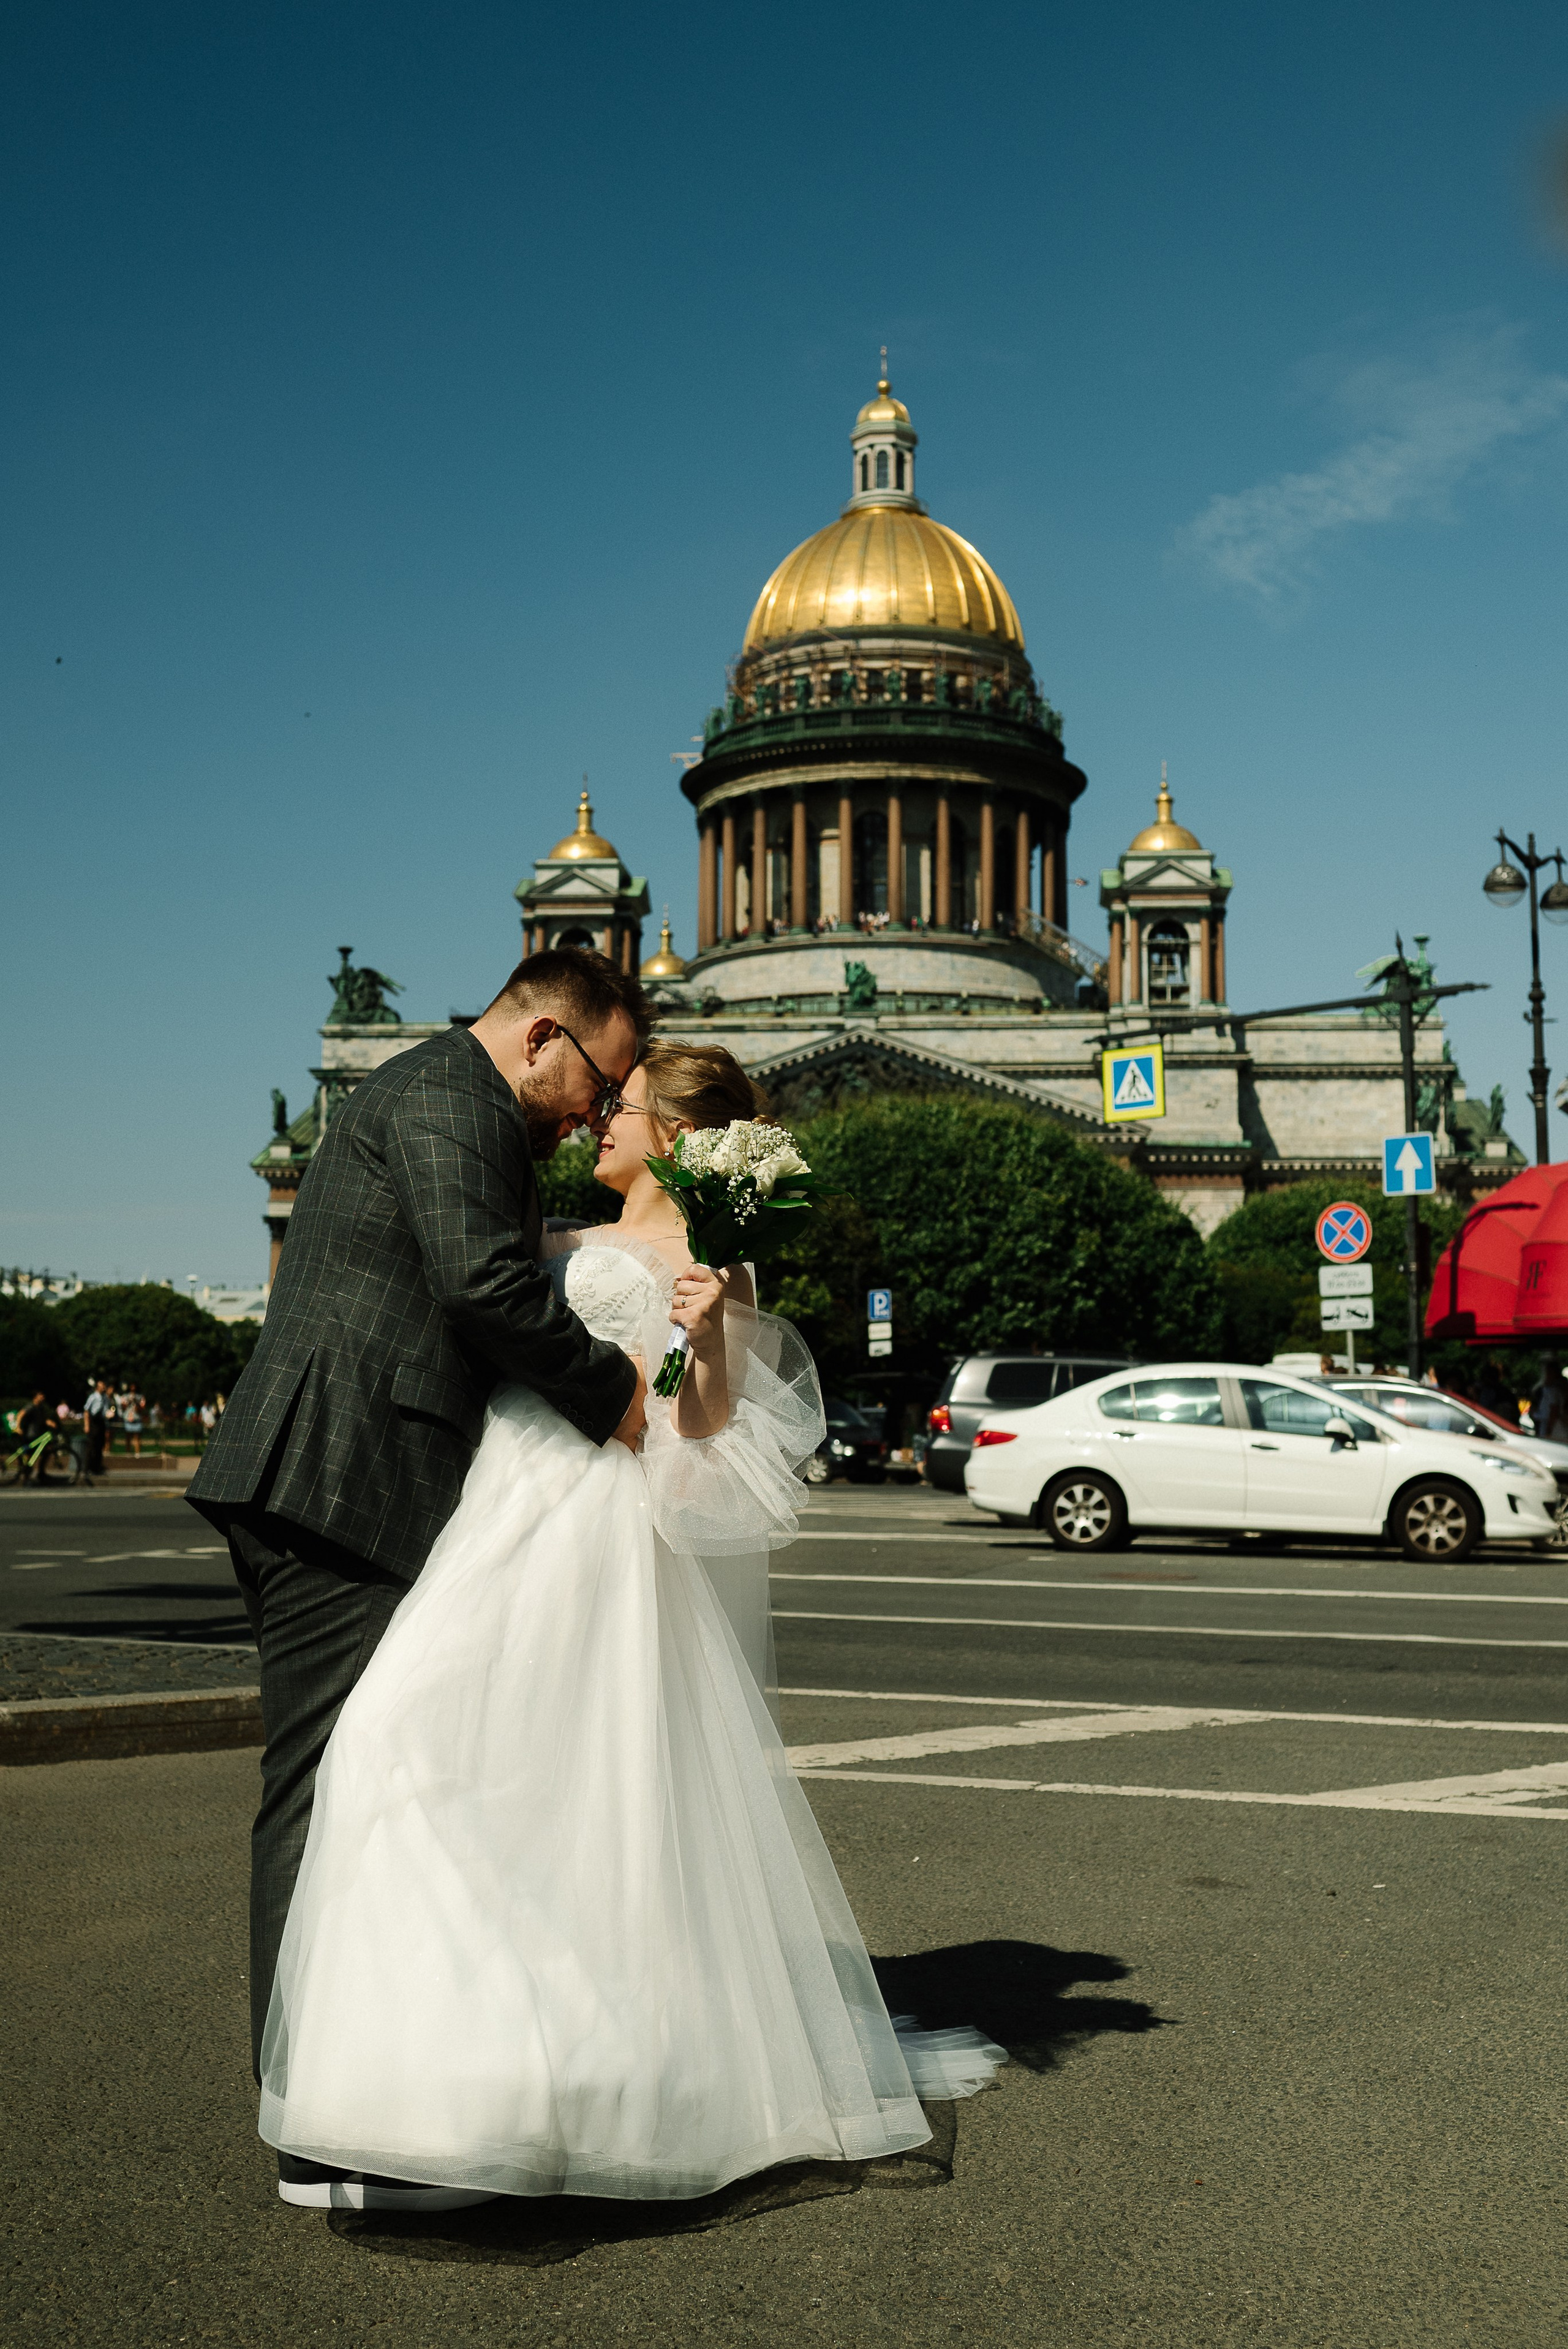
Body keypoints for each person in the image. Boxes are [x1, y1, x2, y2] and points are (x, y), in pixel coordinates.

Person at [258, 1037, 1003, 2212]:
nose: (599, 1120)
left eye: (624, 1106)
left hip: (592, 1535)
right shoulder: (550, 1236)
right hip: (495, 1512)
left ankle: (550, 2085)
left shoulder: (718, 1266)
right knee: (401, 1748)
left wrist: (705, 1335)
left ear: (672, 1134)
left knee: (569, 1798)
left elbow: (700, 1438)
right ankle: (441, 2084)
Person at [189, 946, 650, 2214]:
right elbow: (479, 1282)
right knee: (322, 1791)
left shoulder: (442, 1094)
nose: (594, 1112)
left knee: (356, 1784)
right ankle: (311, 2113)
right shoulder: (458, 1097)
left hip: (337, 1470)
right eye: (596, 1081)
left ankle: (348, 2088)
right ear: (543, 1033)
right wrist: (616, 1395)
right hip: (338, 1471)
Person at [83, 1379, 108, 1478]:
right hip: (93, 1422)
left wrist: (108, 1414)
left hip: (101, 1422)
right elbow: (86, 1411)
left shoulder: (105, 1398)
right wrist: (87, 1425)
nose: (103, 1388)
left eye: (104, 1386)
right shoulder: (93, 1397)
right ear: (97, 1387)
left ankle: (97, 1467)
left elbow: (105, 1410)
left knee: (100, 1445)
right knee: (91, 1445)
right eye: (102, 1386)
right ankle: (87, 1468)